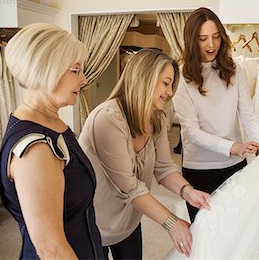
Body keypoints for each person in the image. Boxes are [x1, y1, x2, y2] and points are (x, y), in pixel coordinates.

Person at [78, 49, 211, 259]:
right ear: (145, 78)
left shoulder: (155, 117)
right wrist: (172, 223)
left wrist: (187, 191)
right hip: (93, 223)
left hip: (129, 220)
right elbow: (129, 186)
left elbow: (165, 168)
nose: (169, 92)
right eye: (166, 83)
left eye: (172, 86)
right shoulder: (108, 119)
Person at [0, 23, 103, 259]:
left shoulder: (52, 125)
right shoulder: (35, 150)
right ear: (46, 70)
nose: (84, 79)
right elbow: (51, 249)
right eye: (76, 70)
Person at [172, 7, 259, 222]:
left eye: (215, 37)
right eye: (203, 39)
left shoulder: (235, 70)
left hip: (235, 166)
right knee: (205, 232)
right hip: (200, 168)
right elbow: (192, 132)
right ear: (192, 41)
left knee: (236, 228)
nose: (211, 44)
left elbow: (248, 116)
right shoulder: (180, 76)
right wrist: (232, 147)